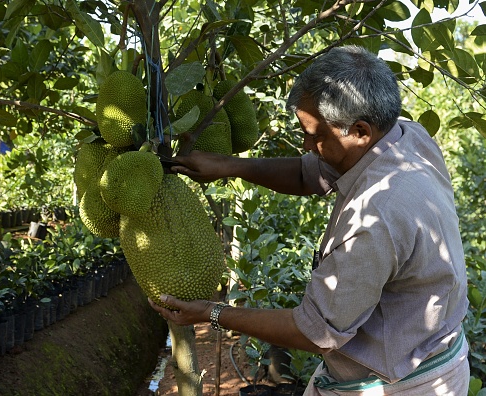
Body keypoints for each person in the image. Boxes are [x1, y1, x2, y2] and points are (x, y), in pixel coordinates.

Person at [149, 45, 470, 395]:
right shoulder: (405, 136)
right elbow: (310, 175)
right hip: (422, 354)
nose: (305, 145)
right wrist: (230, 165)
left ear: (360, 131)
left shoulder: (376, 216)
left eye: (313, 135)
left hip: (402, 385)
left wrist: (210, 313)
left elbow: (316, 331)